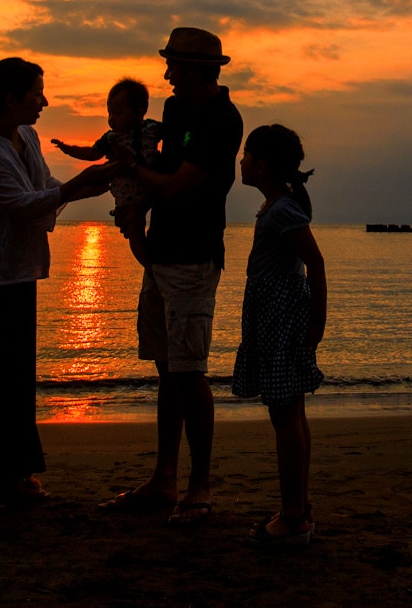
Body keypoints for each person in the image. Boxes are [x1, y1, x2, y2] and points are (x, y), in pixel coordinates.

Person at [0, 57, 114, 513]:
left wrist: (90, 184)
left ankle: (10, 474)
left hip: (18, 274)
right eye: (37, 92)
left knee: (14, 380)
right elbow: (21, 204)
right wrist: (79, 186)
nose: (44, 101)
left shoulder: (28, 138)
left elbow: (45, 186)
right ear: (10, 98)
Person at [101, 27, 244, 525]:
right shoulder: (176, 109)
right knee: (167, 368)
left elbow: (181, 186)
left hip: (193, 256)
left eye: (174, 67)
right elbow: (160, 166)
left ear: (198, 71)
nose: (166, 75)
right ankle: (164, 478)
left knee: (188, 370)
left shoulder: (223, 120)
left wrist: (131, 173)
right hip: (162, 250)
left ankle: (199, 484)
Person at [230, 124, 327, 547]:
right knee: (289, 414)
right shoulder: (275, 206)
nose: (242, 160)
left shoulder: (283, 210)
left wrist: (317, 323)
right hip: (274, 317)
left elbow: (316, 264)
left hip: (281, 319)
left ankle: (293, 517)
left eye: (247, 154)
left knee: (285, 416)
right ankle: (297, 510)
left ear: (263, 165)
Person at [50, 78, 161, 246]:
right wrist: (69, 149)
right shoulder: (111, 138)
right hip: (128, 197)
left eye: (118, 113)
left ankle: (154, 264)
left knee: (142, 225)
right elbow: (92, 154)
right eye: (109, 113)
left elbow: (176, 135)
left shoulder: (152, 128)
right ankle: (150, 267)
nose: (111, 119)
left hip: (153, 187)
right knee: (133, 229)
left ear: (140, 111)